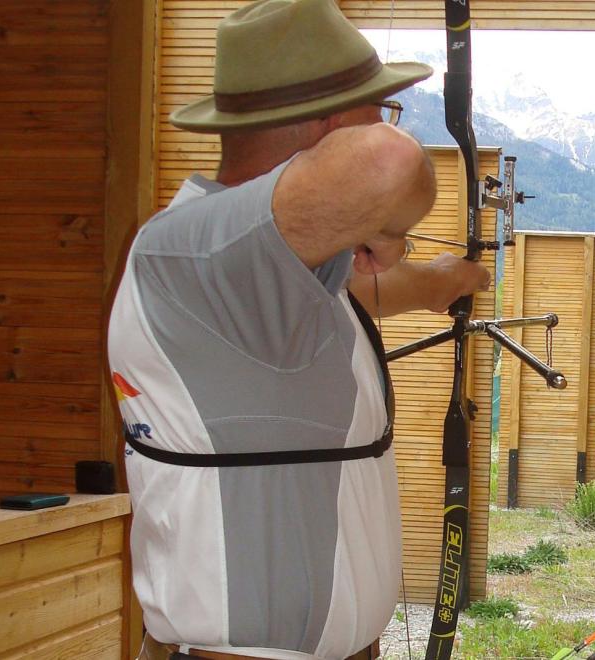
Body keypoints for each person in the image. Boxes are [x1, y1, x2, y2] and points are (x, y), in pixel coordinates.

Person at [107, 0, 490, 658]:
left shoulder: (267, 270)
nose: (387, 123)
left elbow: (349, 295)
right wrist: (385, 226)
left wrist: (440, 283)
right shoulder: (192, 254)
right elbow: (388, 164)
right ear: (331, 126)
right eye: (379, 109)